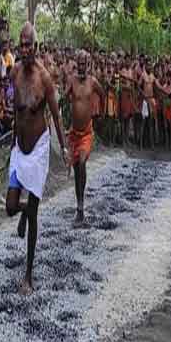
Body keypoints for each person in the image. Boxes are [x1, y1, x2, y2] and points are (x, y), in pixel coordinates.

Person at [5, 23, 68, 295]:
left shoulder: (44, 78)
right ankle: (24, 212)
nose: (26, 49)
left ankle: (28, 275)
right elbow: (14, 112)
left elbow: (56, 116)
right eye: (22, 44)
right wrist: (11, 142)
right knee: (9, 206)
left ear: (36, 46)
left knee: (34, 214)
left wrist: (64, 149)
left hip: (40, 148)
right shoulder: (15, 72)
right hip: (20, 148)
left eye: (30, 44)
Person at [64, 50, 102, 225]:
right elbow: (64, 99)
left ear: (88, 65)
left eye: (84, 64)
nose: (81, 67)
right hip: (74, 134)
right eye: (78, 64)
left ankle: (81, 208)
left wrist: (97, 111)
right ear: (75, 64)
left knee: (81, 163)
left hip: (86, 133)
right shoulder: (71, 81)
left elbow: (102, 93)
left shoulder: (92, 82)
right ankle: (80, 208)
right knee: (77, 171)